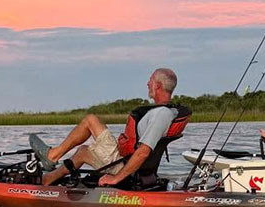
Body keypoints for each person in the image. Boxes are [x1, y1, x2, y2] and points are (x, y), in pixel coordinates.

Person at [29, 68, 190, 186]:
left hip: (124, 165)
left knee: (90, 123)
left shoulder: (161, 114)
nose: (147, 84)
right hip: (124, 158)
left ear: (158, 86)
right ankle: (49, 177)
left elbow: (143, 153)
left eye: (151, 81)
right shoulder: (166, 110)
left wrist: (115, 178)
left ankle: (52, 156)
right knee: (85, 144)